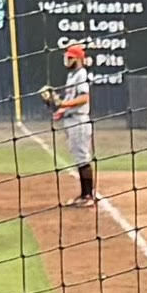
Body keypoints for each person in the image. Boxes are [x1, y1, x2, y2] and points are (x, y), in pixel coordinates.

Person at [49, 39, 98, 201]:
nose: (67, 60)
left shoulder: (81, 74)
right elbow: (72, 98)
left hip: (79, 121)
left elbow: (84, 98)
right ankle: (84, 194)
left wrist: (63, 104)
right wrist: (61, 111)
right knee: (78, 157)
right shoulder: (72, 76)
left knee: (82, 157)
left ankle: (88, 196)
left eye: (70, 58)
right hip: (71, 120)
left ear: (77, 59)